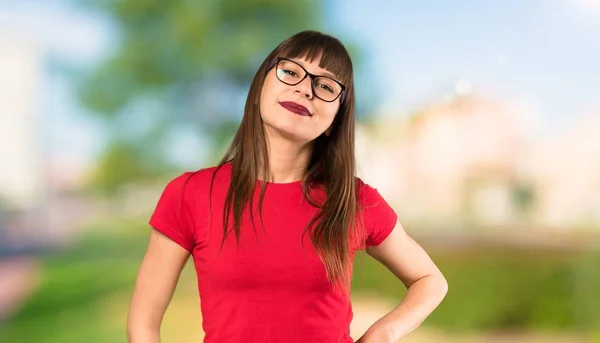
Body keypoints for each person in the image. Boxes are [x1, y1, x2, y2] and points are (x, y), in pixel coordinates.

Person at [126, 30, 448, 343]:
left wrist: (382, 333)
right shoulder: (190, 194)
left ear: (336, 117)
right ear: (258, 89)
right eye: (291, 71)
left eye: (324, 86)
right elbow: (143, 324)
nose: (305, 90)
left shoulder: (354, 200)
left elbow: (430, 280)